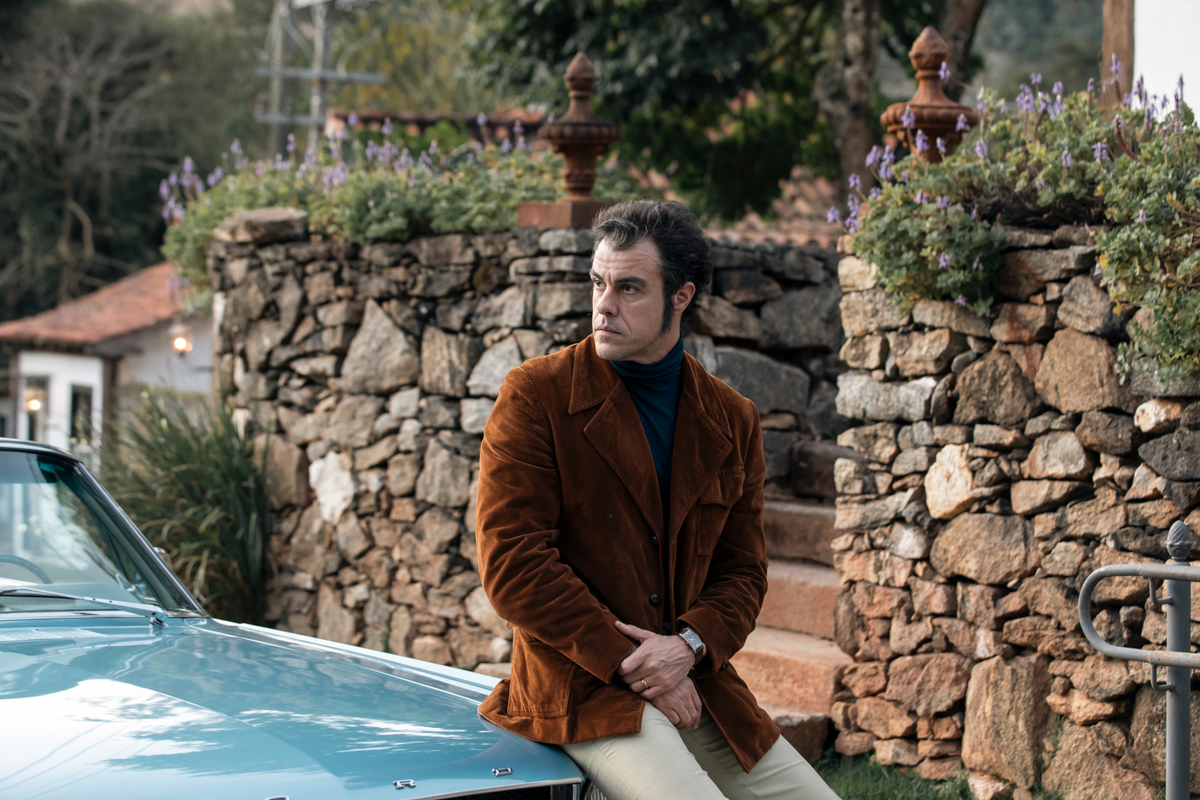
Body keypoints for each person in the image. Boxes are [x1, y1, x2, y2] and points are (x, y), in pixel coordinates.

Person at [475, 200, 840, 800]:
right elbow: (513, 564)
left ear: (681, 296)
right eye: (598, 282)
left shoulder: (733, 418)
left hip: (699, 684)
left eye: (629, 288)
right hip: (580, 686)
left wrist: (687, 648)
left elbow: (743, 573)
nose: (604, 304)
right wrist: (637, 662)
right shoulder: (536, 394)